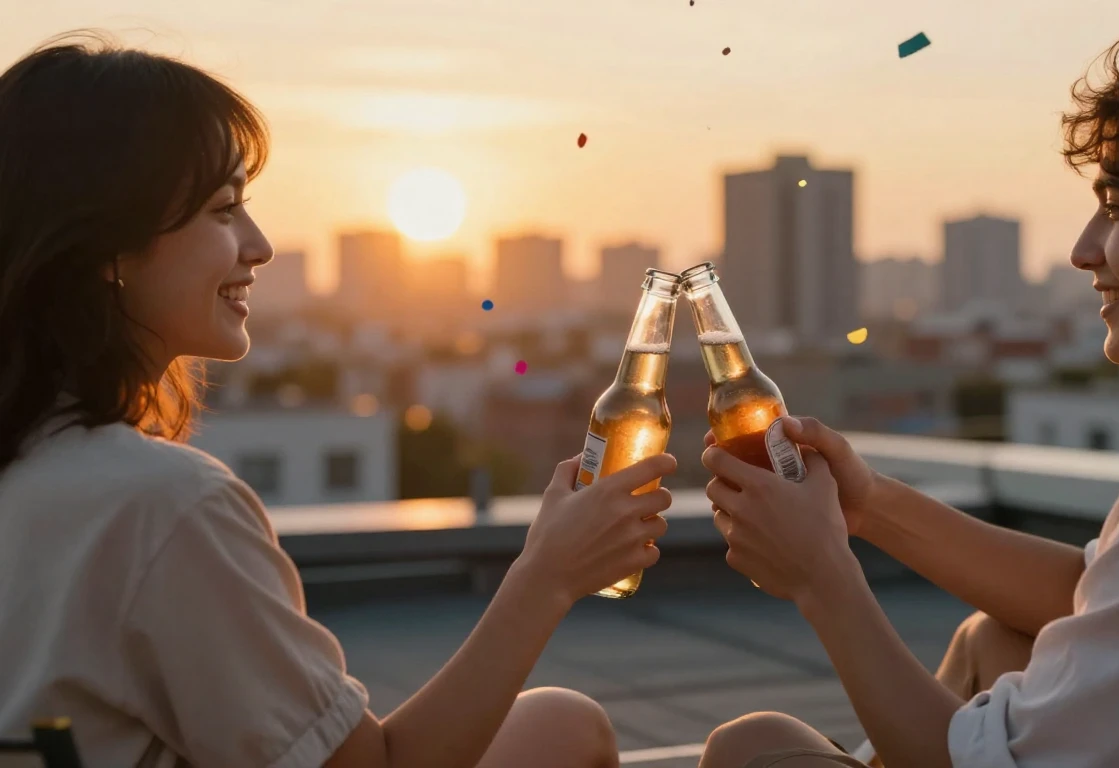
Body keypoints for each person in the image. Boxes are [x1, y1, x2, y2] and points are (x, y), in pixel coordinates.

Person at [0, 34, 677, 768]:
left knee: (559, 725)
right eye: (223, 211)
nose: (258, 246)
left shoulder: (37, 464)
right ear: (109, 250)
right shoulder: (157, 507)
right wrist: (546, 577)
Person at [698, 17, 1119, 768]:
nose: (1083, 250)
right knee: (993, 640)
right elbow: (1100, 592)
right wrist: (867, 507)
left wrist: (821, 578)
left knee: (754, 747)